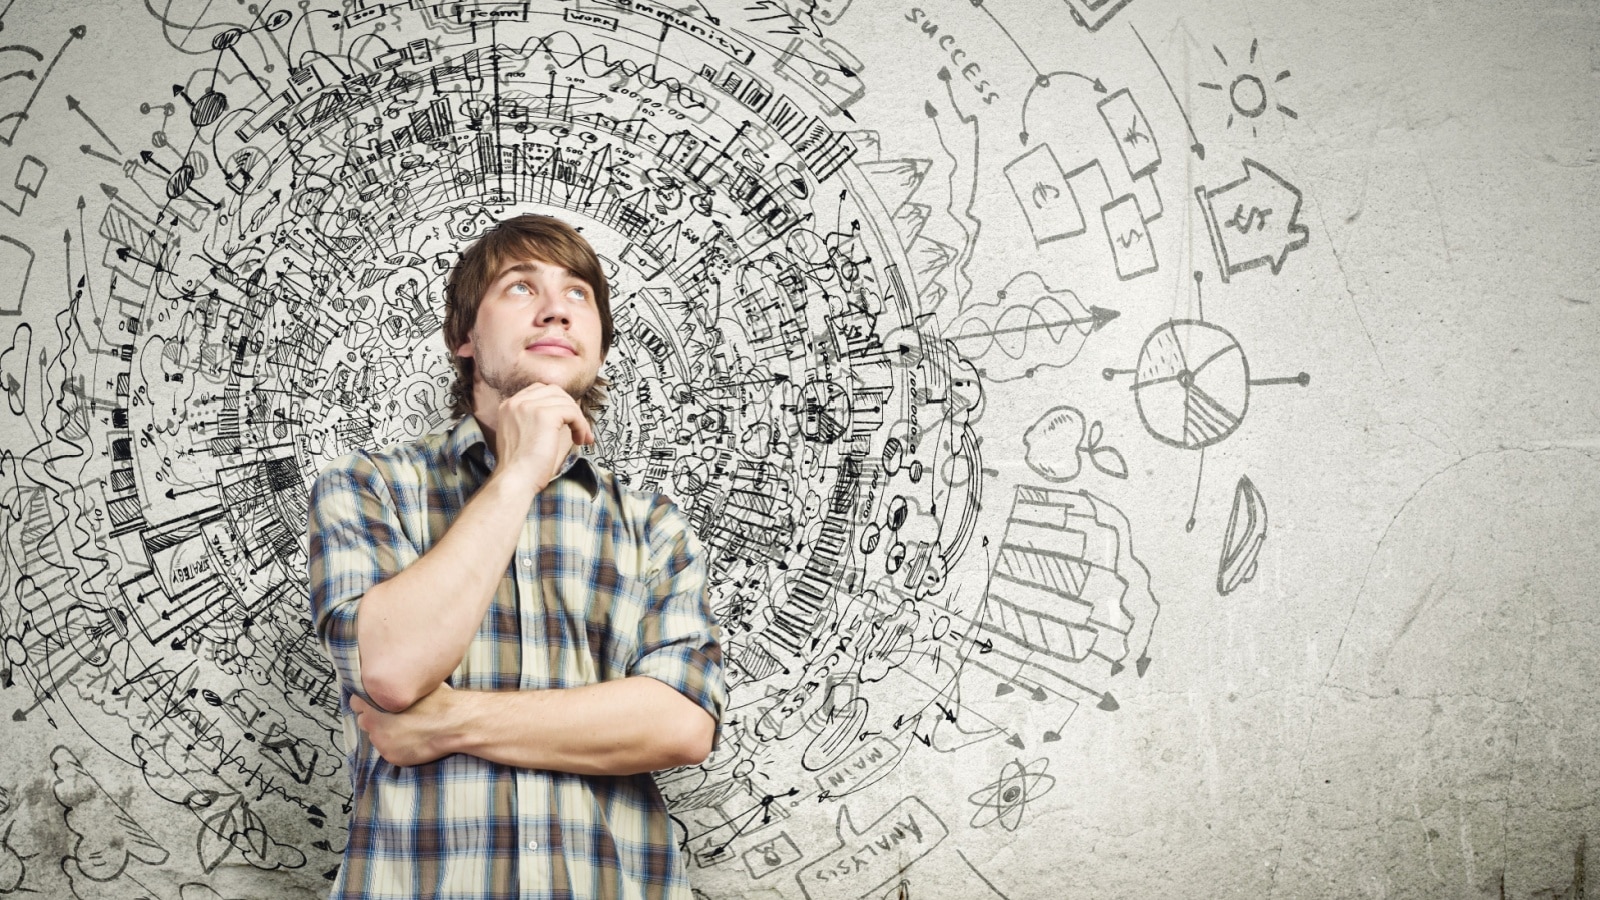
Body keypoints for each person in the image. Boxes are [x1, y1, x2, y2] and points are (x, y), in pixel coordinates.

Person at [307, 214, 726, 900]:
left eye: (578, 294)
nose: (557, 308)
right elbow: (390, 670)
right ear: (463, 337)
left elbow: (680, 725)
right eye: (520, 287)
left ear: (599, 342)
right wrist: (518, 472)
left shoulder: (654, 526)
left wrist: (450, 721)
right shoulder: (367, 485)